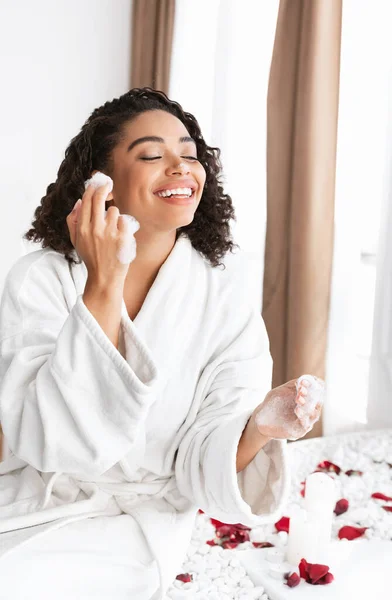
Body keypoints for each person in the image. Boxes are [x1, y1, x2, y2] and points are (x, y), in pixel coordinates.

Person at [0, 88, 322, 599]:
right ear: (99, 184)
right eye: (151, 155)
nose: (180, 167)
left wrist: (261, 424)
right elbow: (46, 439)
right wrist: (103, 283)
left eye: (190, 156)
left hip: (135, 526)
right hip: (29, 498)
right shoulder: (40, 280)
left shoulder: (224, 305)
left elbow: (202, 463)